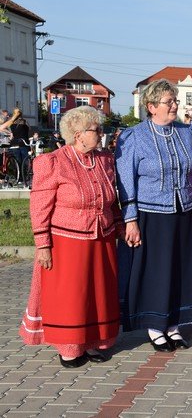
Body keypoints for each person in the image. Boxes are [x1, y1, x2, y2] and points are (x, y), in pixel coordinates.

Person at [19, 106, 123, 368]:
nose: (101, 134)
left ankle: (96, 341)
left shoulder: (104, 159)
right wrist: (43, 244)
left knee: (98, 293)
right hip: (67, 241)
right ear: (78, 135)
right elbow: (39, 206)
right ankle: (70, 347)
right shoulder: (53, 162)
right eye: (96, 130)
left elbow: (112, 200)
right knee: (72, 296)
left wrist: (121, 226)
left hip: (102, 237)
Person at [116, 79, 192, 352]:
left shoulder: (189, 132)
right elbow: (125, 181)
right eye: (168, 102)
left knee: (181, 269)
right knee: (157, 272)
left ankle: (174, 325)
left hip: (187, 211)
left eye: (175, 101)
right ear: (151, 106)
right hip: (152, 214)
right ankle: (155, 326)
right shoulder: (133, 136)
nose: (174, 106)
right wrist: (130, 219)